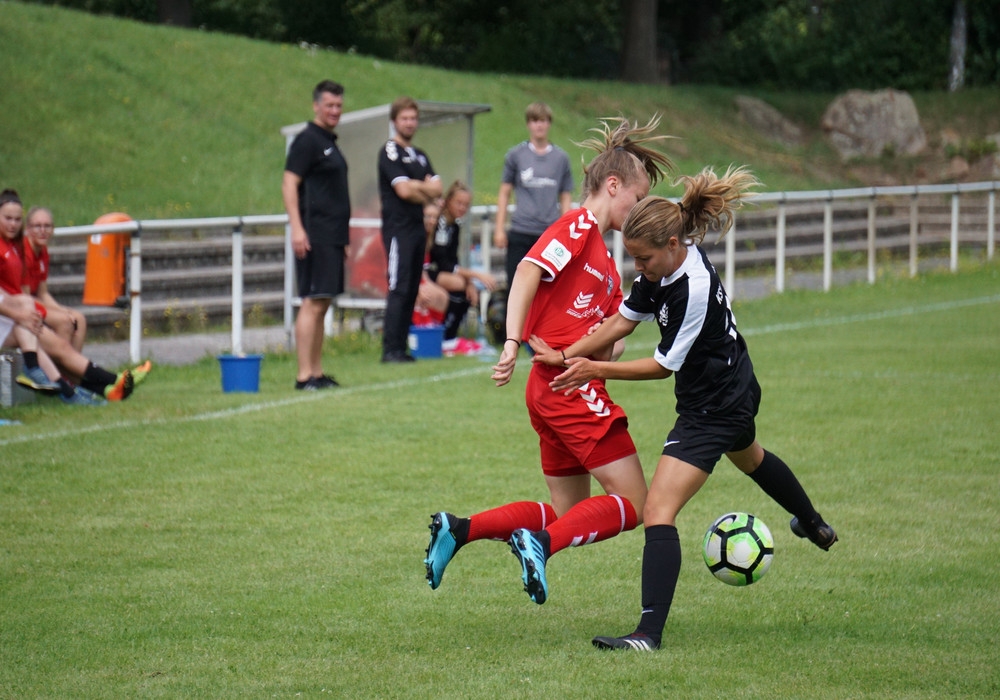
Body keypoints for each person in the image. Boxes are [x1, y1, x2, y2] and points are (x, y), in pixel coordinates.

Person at [529, 166, 838, 651]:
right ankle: (814, 523)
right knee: (751, 457)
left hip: (715, 406)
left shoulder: (691, 285)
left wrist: (594, 369)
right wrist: (568, 355)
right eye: (633, 258)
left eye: (643, 258)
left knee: (657, 509)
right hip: (729, 387)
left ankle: (647, 635)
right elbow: (623, 321)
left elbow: (661, 366)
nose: (638, 268)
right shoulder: (660, 266)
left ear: (673, 244)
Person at [424, 117, 674, 605]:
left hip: (550, 388)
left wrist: (604, 344)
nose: (640, 208)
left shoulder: (608, 264)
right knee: (636, 503)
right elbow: (527, 271)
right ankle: (538, 545)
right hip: (570, 388)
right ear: (613, 185)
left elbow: (612, 341)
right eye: (638, 197)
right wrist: (512, 341)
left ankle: (459, 529)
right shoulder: (578, 227)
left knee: (568, 510)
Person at [0, 190, 148, 403]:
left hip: (19, 313)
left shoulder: (19, 248)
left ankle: (88, 388)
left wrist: (57, 311)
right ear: (29, 229)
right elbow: (22, 294)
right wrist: (26, 313)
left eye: (47, 226)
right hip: (15, 314)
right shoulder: (20, 248)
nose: (13, 224)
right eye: (8, 218)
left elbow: (36, 292)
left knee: (75, 322)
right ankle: (110, 382)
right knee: (60, 341)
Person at [283, 79, 350, 390]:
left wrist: (343, 239)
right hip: (314, 233)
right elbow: (289, 183)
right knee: (312, 301)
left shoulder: (329, 141)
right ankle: (303, 375)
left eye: (338, 105)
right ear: (316, 106)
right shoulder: (307, 140)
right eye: (329, 105)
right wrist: (297, 228)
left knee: (323, 303)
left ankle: (317, 372)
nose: (334, 110)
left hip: (333, 235)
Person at [377, 96, 442, 362]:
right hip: (398, 229)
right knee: (400, 286)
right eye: (404, 118)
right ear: (394, 121)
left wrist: (418, 187)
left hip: (417, 228)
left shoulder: (420, 155)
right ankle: (390, 349)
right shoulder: (389, 151)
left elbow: (438, 189)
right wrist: (423, 188)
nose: (409, 123)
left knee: (412, 286)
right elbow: (403, 191)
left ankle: (401, 348)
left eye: (413, 118)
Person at [494, 102, 574, 292]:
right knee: (516, 289)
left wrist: (565, 232)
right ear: (528, 124)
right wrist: (499, 229)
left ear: (549, 123)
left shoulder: (561, 158)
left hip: (548, 233)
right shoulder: (516, 155)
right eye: (535, 120)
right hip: (521, 230)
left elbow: (565, 197)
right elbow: (504, 193)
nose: (539, 125)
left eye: (543, 121)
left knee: (549, 290)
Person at [425, 181, 497, 352]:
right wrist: (476, 276)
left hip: (442, 271)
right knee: (460, 284)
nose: (462, 208)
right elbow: (442, 262)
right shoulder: (441, 223)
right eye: (458, 203)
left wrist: (470, 282)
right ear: (448, 200)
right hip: (429, 270)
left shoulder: (455, 226)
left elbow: (453, 259)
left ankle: (451, 335)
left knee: (469, 288)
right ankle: (447, 337)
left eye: (466, 204)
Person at [23, 206, 88, 351]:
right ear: (28, 229)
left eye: (47, 226)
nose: (43, 231)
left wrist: (62, 310)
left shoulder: (43, 252)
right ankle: (62, 362)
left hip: (35, 301)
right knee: (64, 321)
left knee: (79, 319)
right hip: (23, 305)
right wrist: (61, 314)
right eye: (37, 226)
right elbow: (25, 297)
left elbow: (43, 293)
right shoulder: (24, 253)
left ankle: (74, 364)